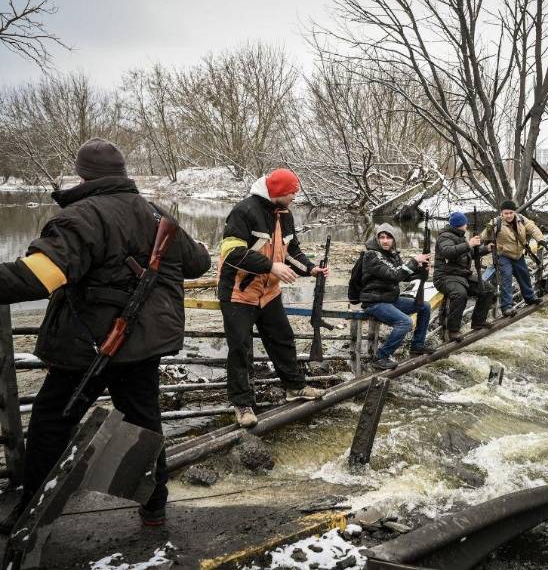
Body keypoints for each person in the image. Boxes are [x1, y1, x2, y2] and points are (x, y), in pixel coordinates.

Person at [0, 138, 211, 530]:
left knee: (52, 423)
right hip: (142, 347)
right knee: (145, 422)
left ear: (82, 174)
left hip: (88, 347)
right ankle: (154, 508)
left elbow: (39, 277)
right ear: (122, 173)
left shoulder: (80, 217)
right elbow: (198, 263)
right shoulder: (152, 212)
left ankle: (32, 510)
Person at [217, 168, 329, 428]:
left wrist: (311, 269)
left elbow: (291, 251)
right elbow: (231, 253)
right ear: (278, 192)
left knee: (282, 339)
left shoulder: (285, 215)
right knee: (240, 348)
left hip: (269, 292)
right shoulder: (243, 212)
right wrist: (270, 267)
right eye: (291, 192)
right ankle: (243, 404)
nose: (294, 196)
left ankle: (294, 386)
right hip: (239, 293)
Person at [359, 223, 435, 370]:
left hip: (390, 299)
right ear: (377, 239)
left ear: (393, 240)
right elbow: (394, 275)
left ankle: (417, 345)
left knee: (424, 306)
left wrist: (421, 270)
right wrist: (413, 261)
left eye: (388, 237)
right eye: (382, 237)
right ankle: (381, 357)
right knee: (405, 322)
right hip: (374, 301)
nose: (385, 240)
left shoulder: (393, 255)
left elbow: (404, 276)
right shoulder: (371, 255)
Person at [433, 212, 495, 341]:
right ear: (460, 225)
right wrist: (469, 244)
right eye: (465, 223)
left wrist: (485, 249)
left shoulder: (459, 235)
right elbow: (447, 252)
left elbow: (467, 253)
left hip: (461, 275)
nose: (467, 225)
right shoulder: (445, 237)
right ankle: (453, 331)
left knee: (487, 289)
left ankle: (478, 322)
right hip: (445, 276)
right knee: (460, 294)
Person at [482, 200, 546, 314]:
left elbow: (532, 227)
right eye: (506, 213)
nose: (509, 215)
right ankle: (507, 307)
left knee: (524, 275)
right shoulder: (496, 222)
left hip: (518, 254)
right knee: (506, 278)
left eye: (511, 213)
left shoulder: (521, 219)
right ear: (501, 213)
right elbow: (484, 236)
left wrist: (540, 239)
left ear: (514, 212)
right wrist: (487, 232)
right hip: (503, 255)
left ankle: (530, 298)